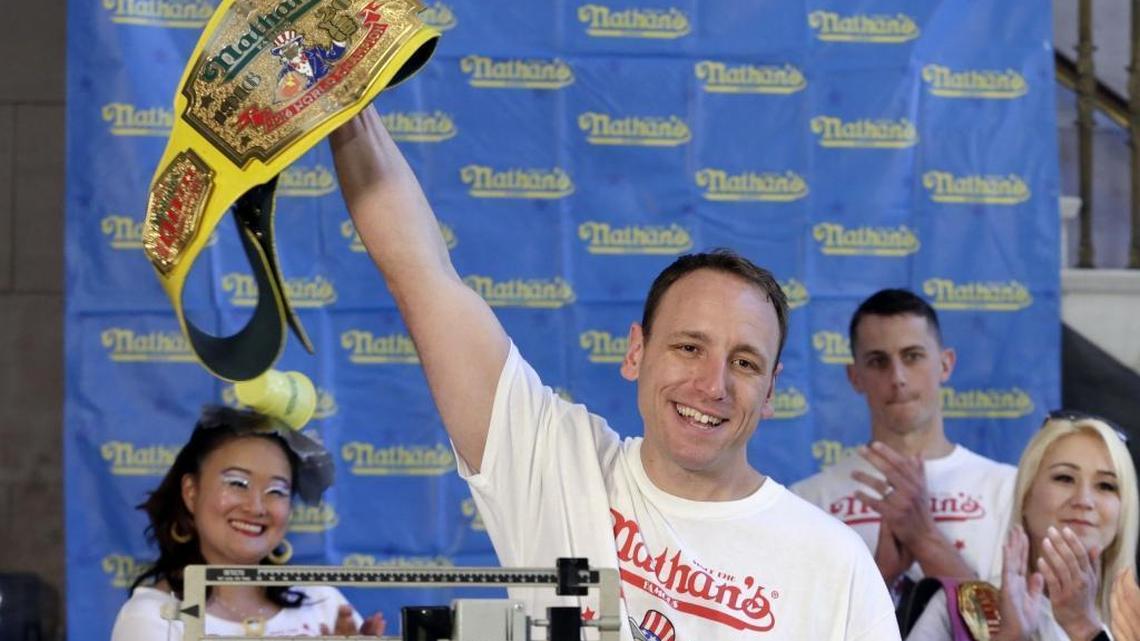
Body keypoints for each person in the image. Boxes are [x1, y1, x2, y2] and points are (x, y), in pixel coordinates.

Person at [329, 106, 899, 640]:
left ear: (770, 390)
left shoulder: (835, 564)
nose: (712, 385)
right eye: (688, 347)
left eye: (744, 362)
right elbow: (419, 271)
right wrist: (341, 89)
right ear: (636, 352)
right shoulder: (552, 464)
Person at [793, 289, 1017, 589]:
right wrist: (882, 574)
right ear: (854, 376)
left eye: (913, 357)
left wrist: (925, 539)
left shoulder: (1008, 491)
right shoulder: (808, 502)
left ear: (946, 364)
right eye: (877, 361)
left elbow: (1017, 631)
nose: (897, 376)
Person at [110, 406, 384, 640]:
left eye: (276, 490)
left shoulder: (325, 604)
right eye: (237, 483)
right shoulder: (152, 617)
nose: (256, 507)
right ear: (191, 492)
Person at [905, 412, 1139, 640]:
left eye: (1106, 486)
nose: (1084, 500)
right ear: (1026, 496)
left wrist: (1084, 629)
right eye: (1064, 478)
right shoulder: (956, 610)